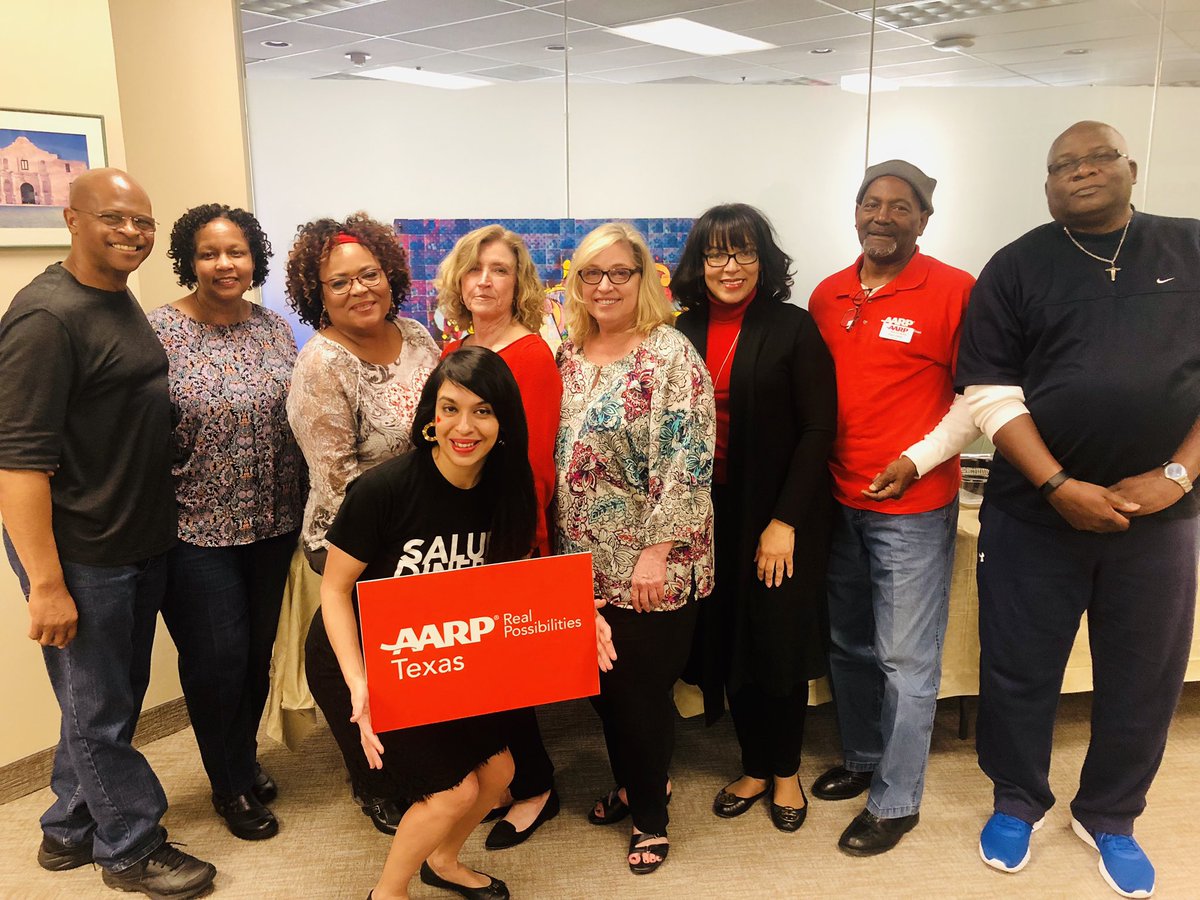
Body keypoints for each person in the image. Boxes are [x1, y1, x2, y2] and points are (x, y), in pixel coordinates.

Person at [958, 120, 1200, 899]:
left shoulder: (1191, 248)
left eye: (1098, 158)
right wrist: (1058, 485)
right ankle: (1017, 800)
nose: (1081, 172)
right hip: (1034, 517)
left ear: (1131, 167)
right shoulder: (1017, 265)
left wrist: (1178, 473)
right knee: (1018, 668)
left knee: (1145, 677)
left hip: (1159, 518)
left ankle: (1111, 815)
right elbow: (991, 393)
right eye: (1063, 164)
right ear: (1047, 184)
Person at [0, 169, 215, 898]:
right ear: (72, 219)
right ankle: (128, 848)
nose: (132, 233)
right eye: (115, 219)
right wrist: (47, 584)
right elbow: (18, 465)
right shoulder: (45, 318)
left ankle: (67, 830)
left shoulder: (113, 298)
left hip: (133, 537)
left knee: (102, 696)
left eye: (143, 223)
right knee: (101, 708)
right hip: (81, 551)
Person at [305, 346, 537, 900]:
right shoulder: (385, 490)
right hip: (359, 659)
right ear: (430, 417)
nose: (464, 426)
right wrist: (362, 684)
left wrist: (581, 619)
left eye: (482, 410)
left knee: (501, 772)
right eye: (449, 408)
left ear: (504, 420)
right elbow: (335, 591)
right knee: (453, 793)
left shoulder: (508, 487)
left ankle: (444, 861)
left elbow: (512, 578)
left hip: (441, 653)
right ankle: (388, 892)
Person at [807, 161, 979, 855]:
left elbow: (979, 397)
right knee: (848, 645)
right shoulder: (828, 294)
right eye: (872, 204)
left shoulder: (956, 291)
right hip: (836, 501)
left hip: (912, 506)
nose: (883, 216)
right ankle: (865, 757)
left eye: (901, 207)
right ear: (854, 212)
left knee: (906, 659)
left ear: (924, 219)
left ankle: (897, 799)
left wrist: (918, 459)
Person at [555, 222, 715, 874]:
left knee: (639, 696)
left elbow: (689, 459)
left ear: (644, 279)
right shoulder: (568, 356)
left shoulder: (671, 355)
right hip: (581, 563)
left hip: (653, 564)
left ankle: (651, 817)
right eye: (593, 273)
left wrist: (657, 551)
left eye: (620, 271)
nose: (605, 284)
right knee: (601, 689)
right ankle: (636, 783)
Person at [674, 204, 837, 833]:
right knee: (731, 642)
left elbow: (819, 428)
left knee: (777, 643)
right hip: (709, 518)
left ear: (763, 260)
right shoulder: (681, 332)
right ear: (699, 264)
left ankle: (786, 770)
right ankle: (751, 764)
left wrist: (785, 520)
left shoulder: (791, 327)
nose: (731, 266)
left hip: (778, 518)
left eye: (743, 252)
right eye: (717, 254)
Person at [148, 204, 306, 841]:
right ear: (190, 259)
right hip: (195, 530)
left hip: (274, 524)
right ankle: (231, 786)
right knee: (217, 660)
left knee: (256, 657)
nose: (224, 264)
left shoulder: (273, 329)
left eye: (236, 252)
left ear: (254, 260)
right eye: (210, 253)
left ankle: (238, 760)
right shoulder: (158, 331)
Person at [286, 212, 440, 834]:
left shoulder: (418, 335)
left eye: (368, 274)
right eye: (339, 283)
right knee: (347, 663)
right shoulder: (322, 363)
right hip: (354, 538)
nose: (359, 290)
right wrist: (408, 534)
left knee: (412, 665)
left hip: (425, 528)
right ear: (316, 294)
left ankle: (413, 758)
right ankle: (370, 778)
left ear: (389, 274)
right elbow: (336, 479)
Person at [435, 225, 563, 849]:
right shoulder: (456, 349)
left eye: (500, 270)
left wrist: (509, 547)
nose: (485, 280)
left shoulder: (530, 357)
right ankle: (508, 778)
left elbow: (535, 467)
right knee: (479, 674)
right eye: (474, 269)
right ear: (459, 280)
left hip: (504, 538)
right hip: (455, 539)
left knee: (507, 676)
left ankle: (537, 785)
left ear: (519, 283)